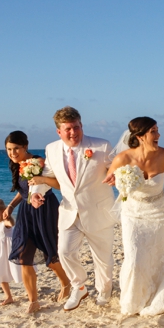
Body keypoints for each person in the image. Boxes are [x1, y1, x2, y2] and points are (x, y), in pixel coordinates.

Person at [32, 107, 116, 311]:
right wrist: (36, 192)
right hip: (69, 211)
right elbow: (49, 174)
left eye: (76, 127)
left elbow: (116, 168)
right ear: (59, 131)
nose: (73, 133)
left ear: (82, 125)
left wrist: (116, 176)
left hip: (98, 211)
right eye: (68, 129)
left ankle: (104, 292)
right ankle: (79, 287)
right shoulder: (51, 149)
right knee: (65, 251)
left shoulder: (101, 145)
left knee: (103, 258)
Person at [104, 117, 164, 318]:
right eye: (153, 131)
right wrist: (116, 180)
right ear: (140, 136)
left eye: (157, 130)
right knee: (133, 256)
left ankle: (159, 293)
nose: (158, 135)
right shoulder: (122, 159)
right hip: (133, 213)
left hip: (159, 211)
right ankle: (134, 299)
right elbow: (109, 179)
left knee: (159, 252)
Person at [4, 130, 71, 311]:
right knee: (24, 254)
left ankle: (66, 283)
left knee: (49, 254)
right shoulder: (17, 164)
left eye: (16, 149)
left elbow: (58, 184)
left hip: (45, 209)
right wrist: (10, 206)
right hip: (26, 211)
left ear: (25, 146)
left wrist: (42, 179)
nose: (12, 153)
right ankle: (33, 300)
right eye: (9, 150)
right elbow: (24, 190)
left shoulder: (40, 162)